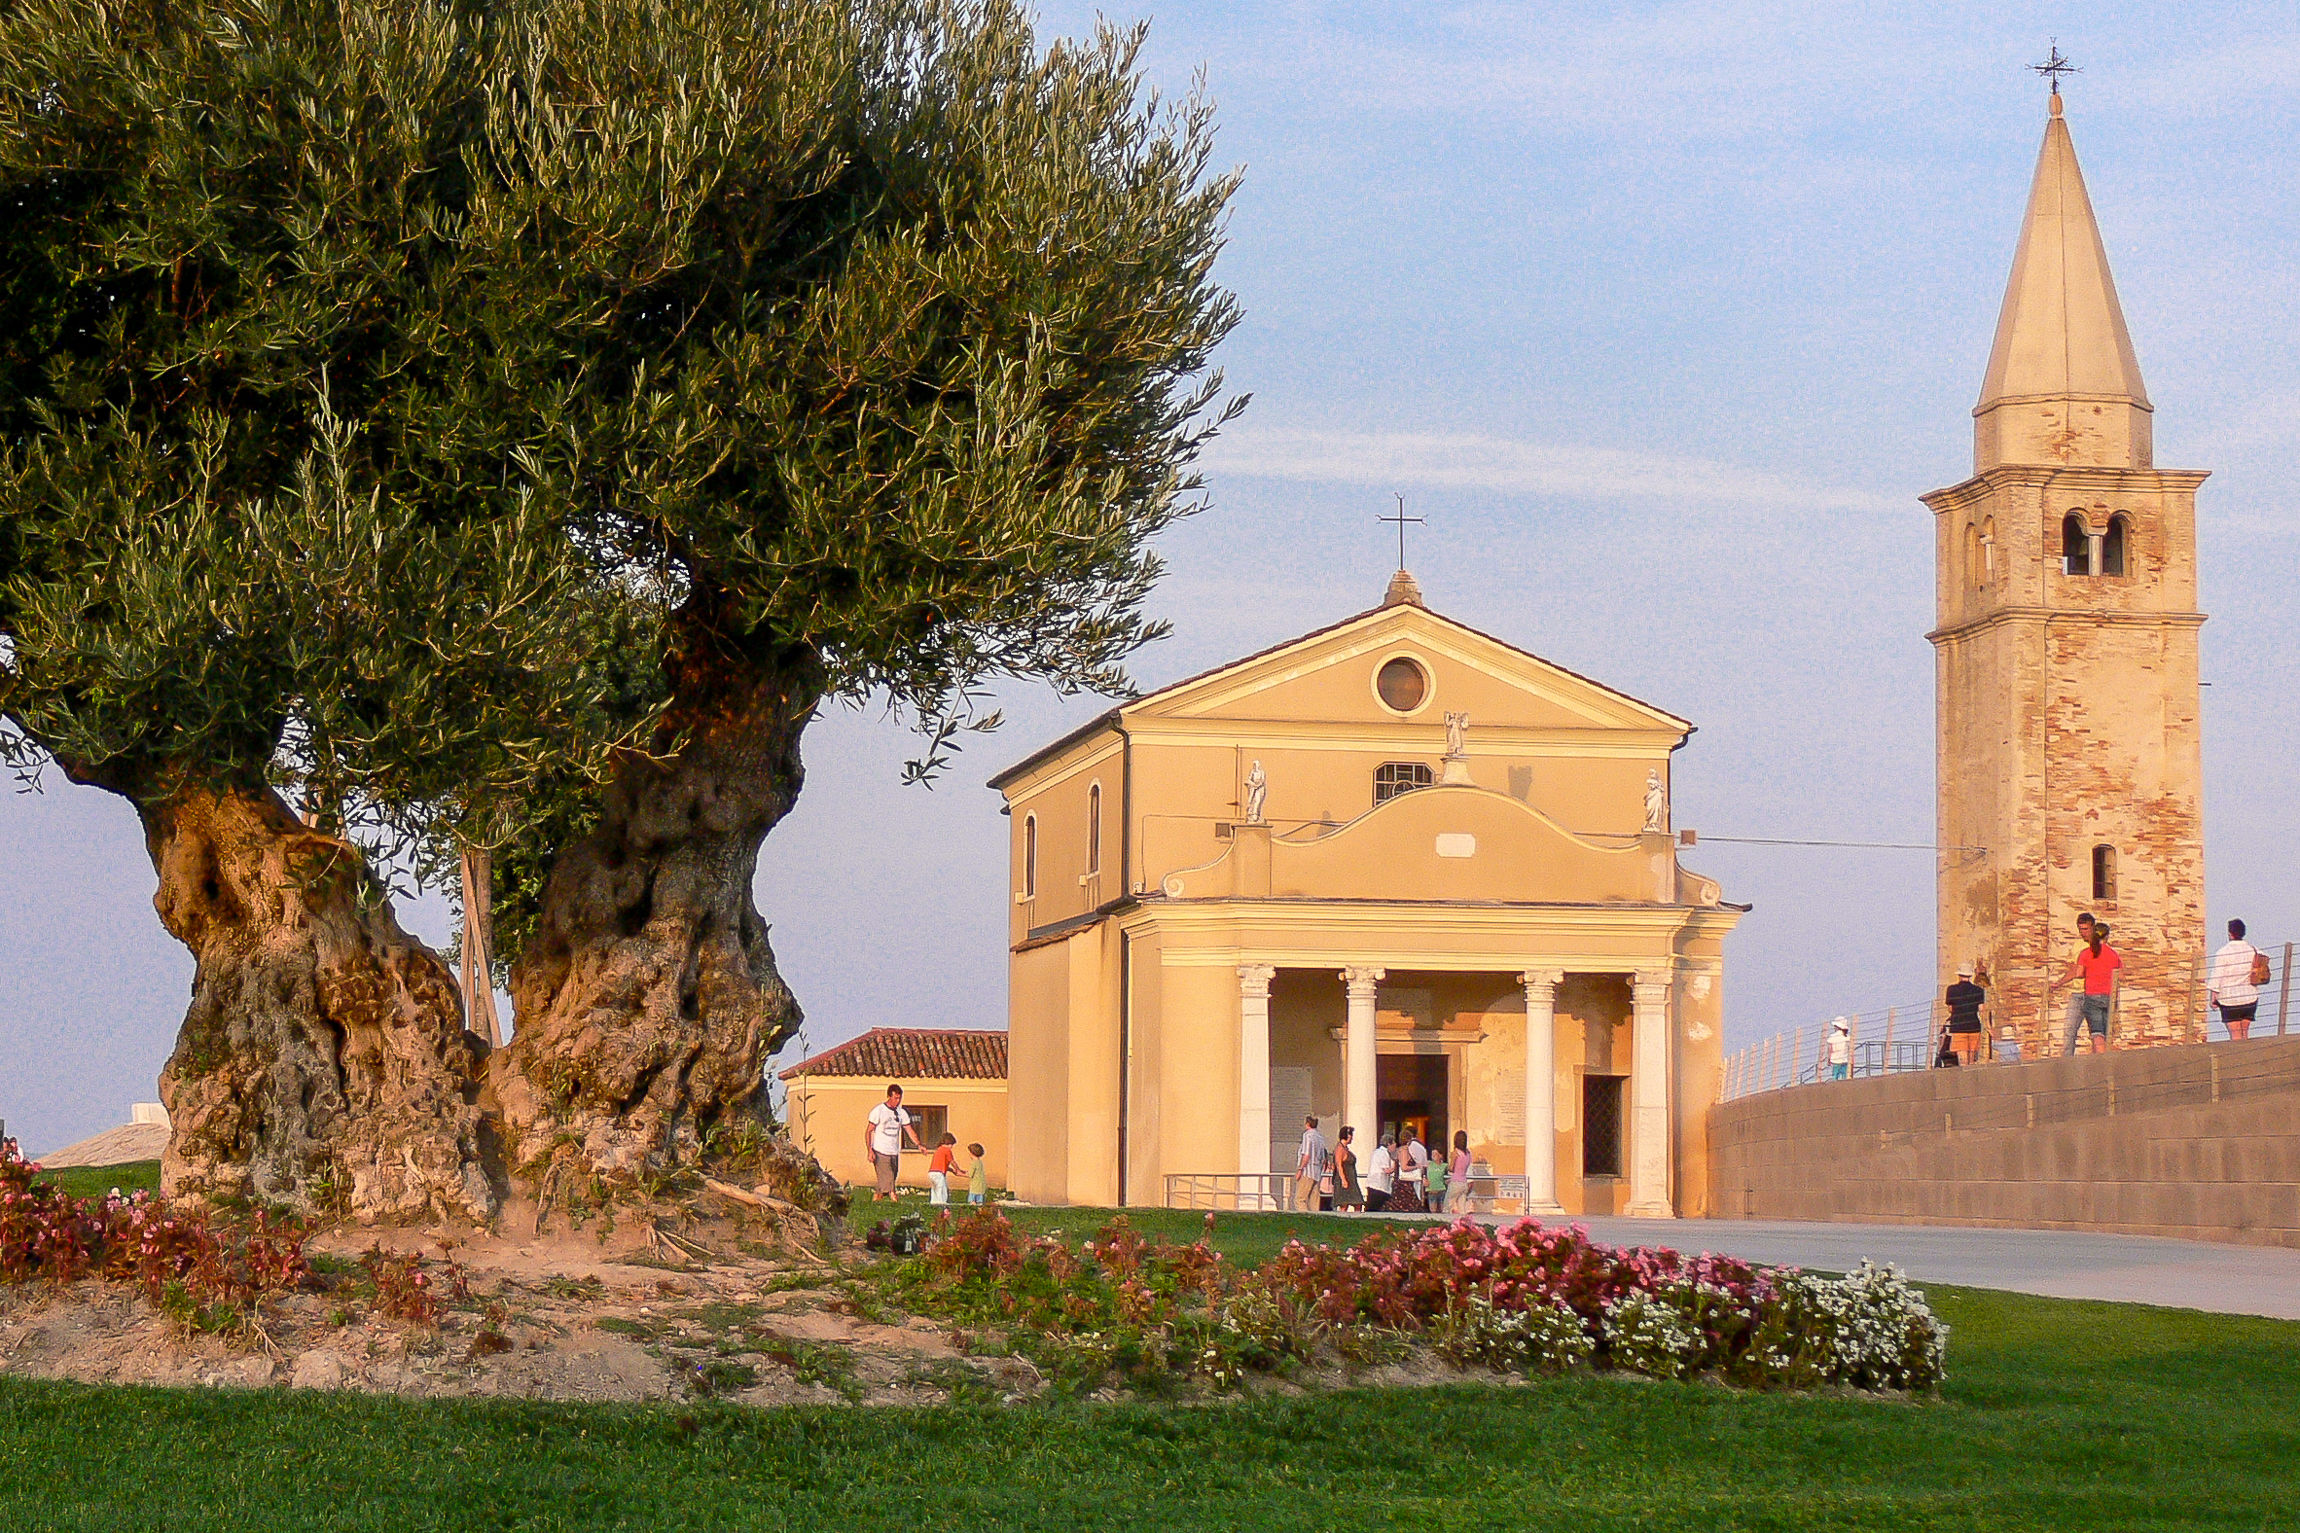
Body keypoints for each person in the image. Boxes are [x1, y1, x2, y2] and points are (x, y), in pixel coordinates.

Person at [2059, 923, 2123, 1055]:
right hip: (2108, 996)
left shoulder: (2086, 953)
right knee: (2105, 1033)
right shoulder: (2113, 954)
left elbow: (2079, 973)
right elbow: (2120, 975)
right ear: (2107, 936)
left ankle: (2101, 1064)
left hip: (2092, 995)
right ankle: (2103, 1060)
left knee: (2097, 1033)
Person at [865, 1083, 925, 1201]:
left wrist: (919, 1144)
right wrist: (870, 1150)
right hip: (880, 1150)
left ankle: (877, 1198)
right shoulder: (879, 1111)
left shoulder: (901, 1113)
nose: (897, 1101)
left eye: (899, 1098)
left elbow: (909, 1130)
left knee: (890, 1176)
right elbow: (868, 1131)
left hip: (894, 1150)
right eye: (895, 1098)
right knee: (888, 1177)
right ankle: (894, 1198)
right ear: (889, 1096)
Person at [2208, 918, 2264, 1042]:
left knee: (2236, 1036)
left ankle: (2239, 1060)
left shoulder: (2223, 952)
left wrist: (2213, 998)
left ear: (2230, 933)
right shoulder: (2254, 950)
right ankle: (2248, 1058)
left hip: (2230, 1000)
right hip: (2250, 997)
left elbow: (2217, 976)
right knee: (2245, 1033)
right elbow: (2264, 960)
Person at [2061, 914, 2098, 1056]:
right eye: (2080, 929)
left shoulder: (2098, 947)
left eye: (2086, 929)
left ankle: (2098, 1064)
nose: (2083, 932)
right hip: (2076, 994)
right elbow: (2073, 968)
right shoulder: (2077, 945)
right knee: (2069, 1031)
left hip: (2093, 994)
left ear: (2093, 928)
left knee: (2096, 1033)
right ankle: (2066, 1064)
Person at [1944, 965, 1987, 1066]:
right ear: (1970, 976)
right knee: (1972, 1058)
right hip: (1974, 1026)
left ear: (1959, 975)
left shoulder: (1952, 990)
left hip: (1958, 1026)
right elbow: (1981, 1009)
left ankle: (1965, 1079)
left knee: (1962, 1059)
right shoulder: (1979, 990)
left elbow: (1950, 1009)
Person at [1293, 1114, 1328, 1213]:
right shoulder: (1320, 1137)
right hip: (1317, 1172)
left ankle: (1305, 1218)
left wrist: (1300, 1169)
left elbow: (1306, 1154)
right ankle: (1315, 1220)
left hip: (1307, 1171)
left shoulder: (1307, 1135)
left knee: (1300, 1199)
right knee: (1314, 1201)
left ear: (1307, 1124)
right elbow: (1323, 1157)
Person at [1390, 1129, 1428, 1214]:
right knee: (1411, 1205)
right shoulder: (1404, 1150)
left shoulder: (1399, 1150)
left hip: (1402, 1182)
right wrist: (1416, 1166)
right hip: (1404, 1184)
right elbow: (1404, 1167)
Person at [1332, 1126, 1363, 1210]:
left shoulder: (1345, 1148)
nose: (1352, 1138)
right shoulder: (1339, 1149)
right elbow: (1339, 1165)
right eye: (1351, 1135)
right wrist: (1343, 1180)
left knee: (1357, 1203)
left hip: (1351, 1179)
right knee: (1344, 1204)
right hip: (1344, 1179)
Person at [1443, 1130, 1474, 1215]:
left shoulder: (1455, 1153)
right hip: (1464, 1182)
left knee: (1447, 1206)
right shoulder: (1468, 1153)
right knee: (1462, 1209)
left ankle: (1446, 1224)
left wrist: (1447, 1167)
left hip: (1455, 1181)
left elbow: (1451, 1169)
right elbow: (1468, 1166)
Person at [1365, 1131, 1397, 1213]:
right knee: (1374, 1208)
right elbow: (1387, 1170)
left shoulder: (1377, 1152)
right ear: (1388, 1144)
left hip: (1377, 1185)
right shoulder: (1382, 1153)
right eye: (1393, 1143)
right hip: (1378, 1186)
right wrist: (1396, 1165)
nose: (1395, 1146)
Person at [926, 1132, 958, 1206]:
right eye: (951, 1145)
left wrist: (951, 1170)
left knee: (935, 1189)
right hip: (939, 1173)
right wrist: (957, 1169)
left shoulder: (939, 1150)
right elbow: (952, 1162)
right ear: (948, 1143)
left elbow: (943, 1165)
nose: (952, 1147)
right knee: (942, 1189)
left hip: (932, 1173)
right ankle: (942, 1204)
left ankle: (934, 1203)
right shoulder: (947, 1150)